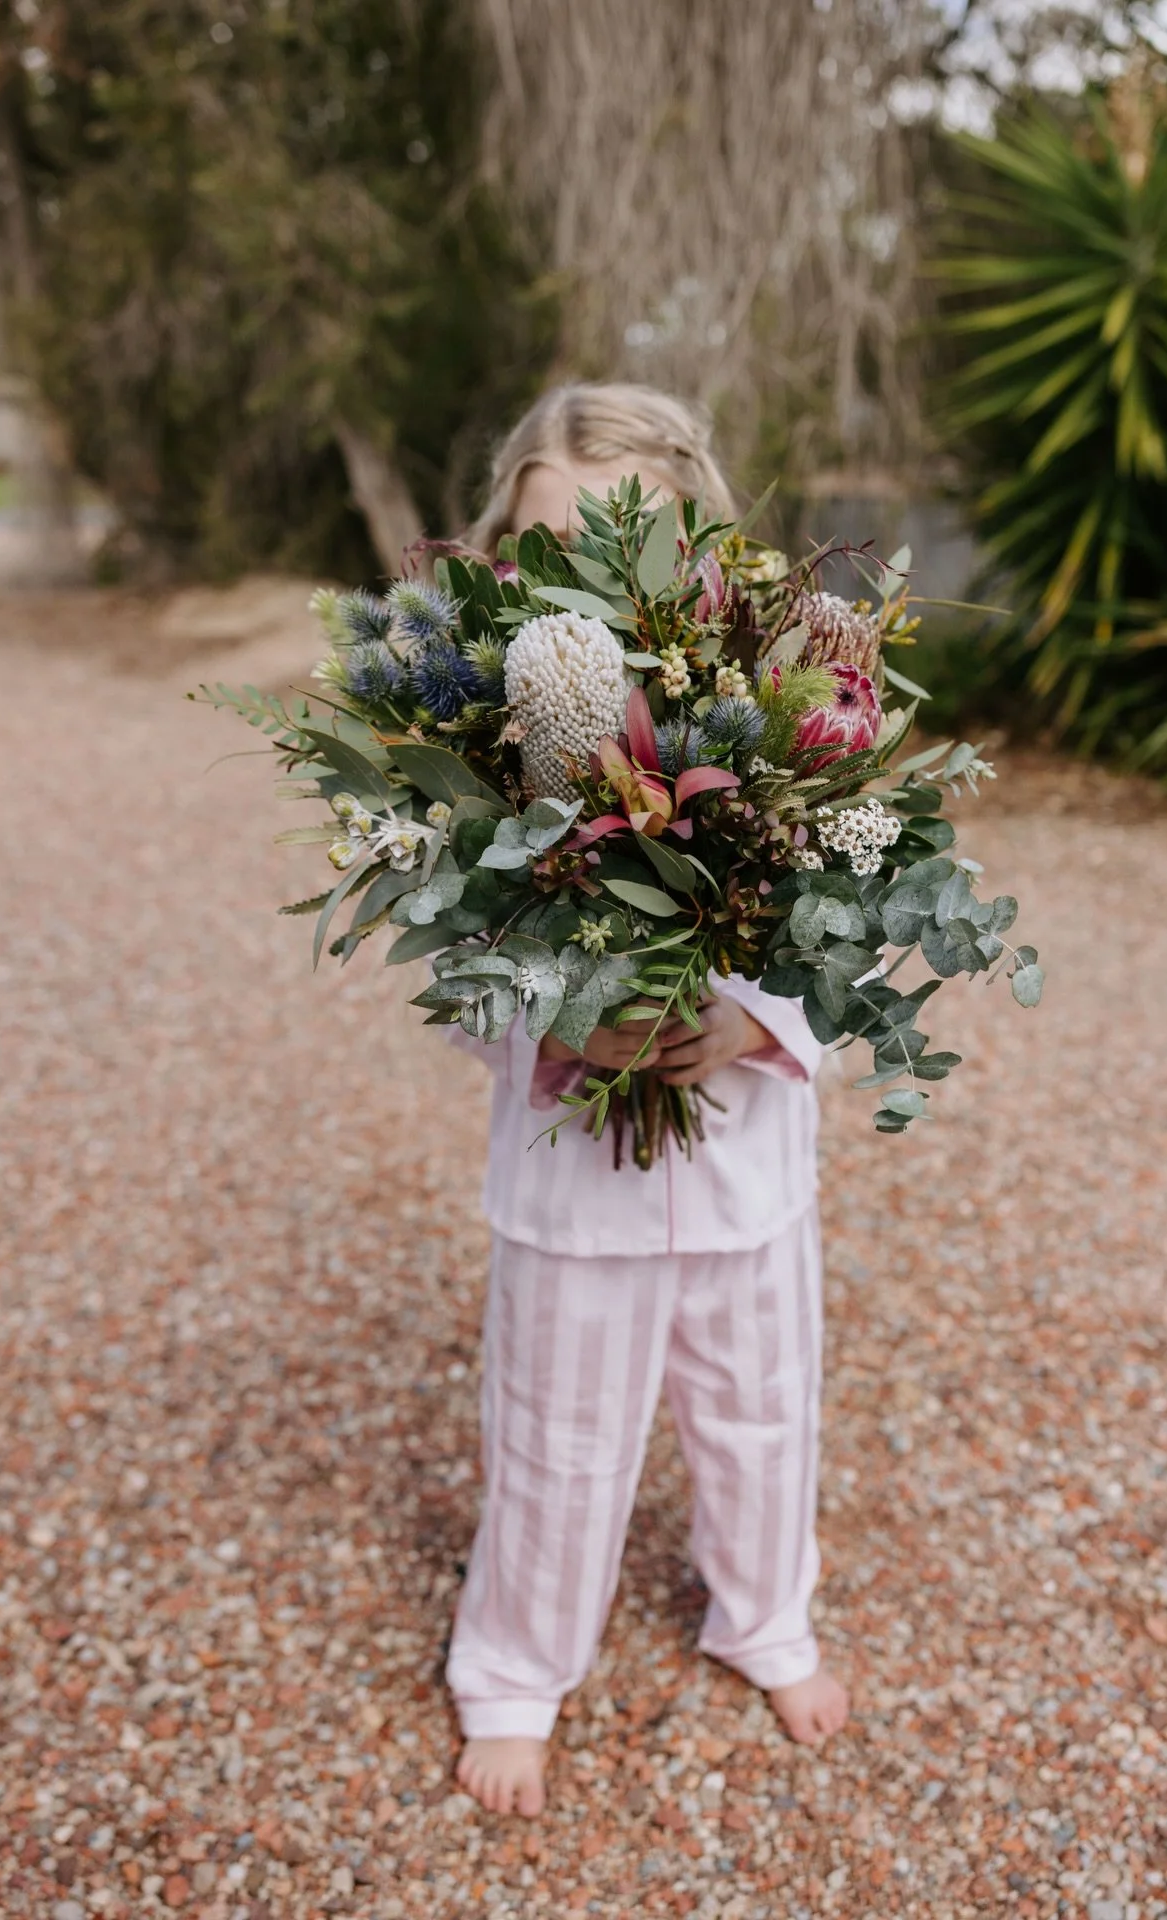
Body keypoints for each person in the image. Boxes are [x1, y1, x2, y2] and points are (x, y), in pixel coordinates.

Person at [446, 382, 848, 1817]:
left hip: (746, 1170)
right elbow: (449, 957)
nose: (591, 580)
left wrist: (750, 1026)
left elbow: (850, 923)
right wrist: (569, 1016)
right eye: (553, 545)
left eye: (631, 544)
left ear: (700, 547)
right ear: (506, 548)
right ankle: (515, 1669)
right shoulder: (471, 732)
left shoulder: (781, 694)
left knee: (763, 1415)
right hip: (573, 1182)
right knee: (554, 1437)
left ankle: (767, 1619)